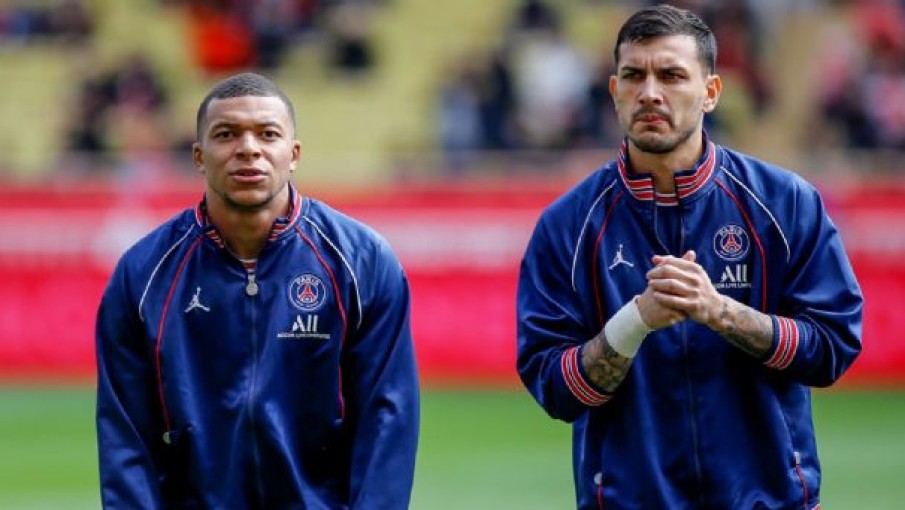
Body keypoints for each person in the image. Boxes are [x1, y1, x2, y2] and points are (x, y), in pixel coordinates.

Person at [516, 5, 862, 509]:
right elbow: (554, 389)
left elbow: (833, 347)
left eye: (672, 75)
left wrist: (718, 310)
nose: (649, 92)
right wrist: (635, 322)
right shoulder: (567, 226)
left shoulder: (785, 203)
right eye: (633, 75)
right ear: (614, 91)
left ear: (711, 92)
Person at [95, 72, 419, 508]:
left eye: (267, 134)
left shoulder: (362, 261)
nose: (248, 148)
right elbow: (126, 437)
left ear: (293, 153)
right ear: (198, 156)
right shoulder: (143, 272)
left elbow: (387, 419)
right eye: (226, 134)